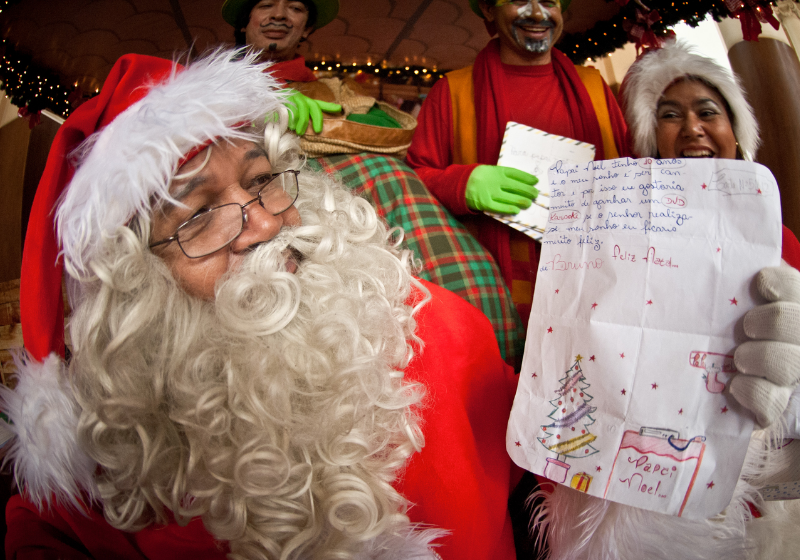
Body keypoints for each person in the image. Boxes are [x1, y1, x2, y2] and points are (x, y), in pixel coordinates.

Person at [1, 49, 519, 560]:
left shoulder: (440, 326)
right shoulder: (125, 444)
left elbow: (547, 453)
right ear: (133, 283)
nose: (266, 226)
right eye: (197, 215)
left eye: (262, 180)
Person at [530, 41, 800, 560]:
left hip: (763, 495)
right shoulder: (619, 234)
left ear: (737, 132)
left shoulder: (779, 237)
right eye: (670, 115)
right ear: (653, 141)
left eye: (708, 112)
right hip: (644, 494)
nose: (693, 127)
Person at [222, 0, 526, 365]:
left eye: (295, 8)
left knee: (398, 186)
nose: (279, 15)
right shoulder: (209, 87)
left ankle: (479, 352)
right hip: (274, 201)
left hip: (371, 199)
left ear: (307, 28)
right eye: (266, 3)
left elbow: (391, 132)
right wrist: (249, 116)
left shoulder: (333, 89)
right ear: (245, 20)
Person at [406, 0, 630, 327]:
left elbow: (628, 175)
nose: (538, 14)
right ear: (487, 9)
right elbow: (410, 182)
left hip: (592, 287)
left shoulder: (594, 87)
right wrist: (461, 184)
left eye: (549, 2)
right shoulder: (451, 92)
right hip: (491, 293)